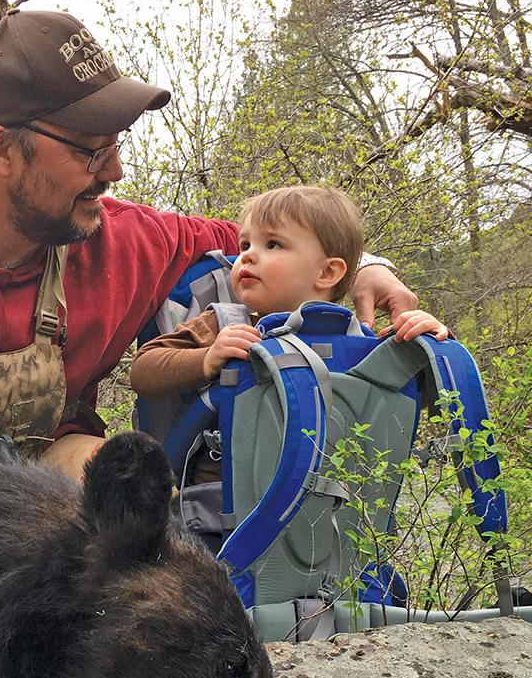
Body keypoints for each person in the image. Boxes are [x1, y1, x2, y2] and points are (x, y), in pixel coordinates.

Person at [0, 10, 418, 493]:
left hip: (48, 522)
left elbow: (269, 246)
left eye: (119, 143)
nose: (115, 171)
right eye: (93, 148)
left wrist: (369, 268)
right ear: (2, 149)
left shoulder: (115, 237)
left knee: (135, 488)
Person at [129, 184, 449, 485]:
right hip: (220, 513)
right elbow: (143, 372)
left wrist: (430, 340)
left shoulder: (358, 341)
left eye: (273, 244)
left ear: (327, 272)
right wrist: (208, 359)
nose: (247, 256)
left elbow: (433, 398)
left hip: (325, 509)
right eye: (245, 245)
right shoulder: (224, 325)